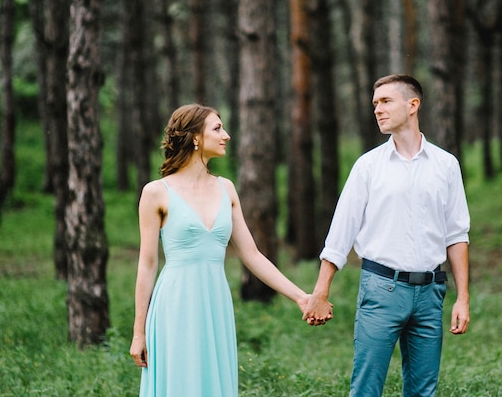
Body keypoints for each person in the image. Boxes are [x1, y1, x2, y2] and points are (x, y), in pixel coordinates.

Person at [304, 74, 470, 397]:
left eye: (385, 101)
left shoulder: (446, 166)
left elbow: (457, 235)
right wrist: (320, 291)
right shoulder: (367, 167)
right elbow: (340, 233)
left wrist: (462, 298)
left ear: (413, 105)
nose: (377, 109)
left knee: (423, 391)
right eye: (375, 104)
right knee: (367, 388)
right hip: (381, 290)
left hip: (430, 293)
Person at [129, 104, 311, 396]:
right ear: (196, 138)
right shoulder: (156, 192)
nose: (226, 135)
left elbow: (252, 255)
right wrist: (139, 333)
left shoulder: (226, 189)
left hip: (215, 302)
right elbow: (147, 265)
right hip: (175, 304)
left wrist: (300, 297)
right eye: (217, 128)